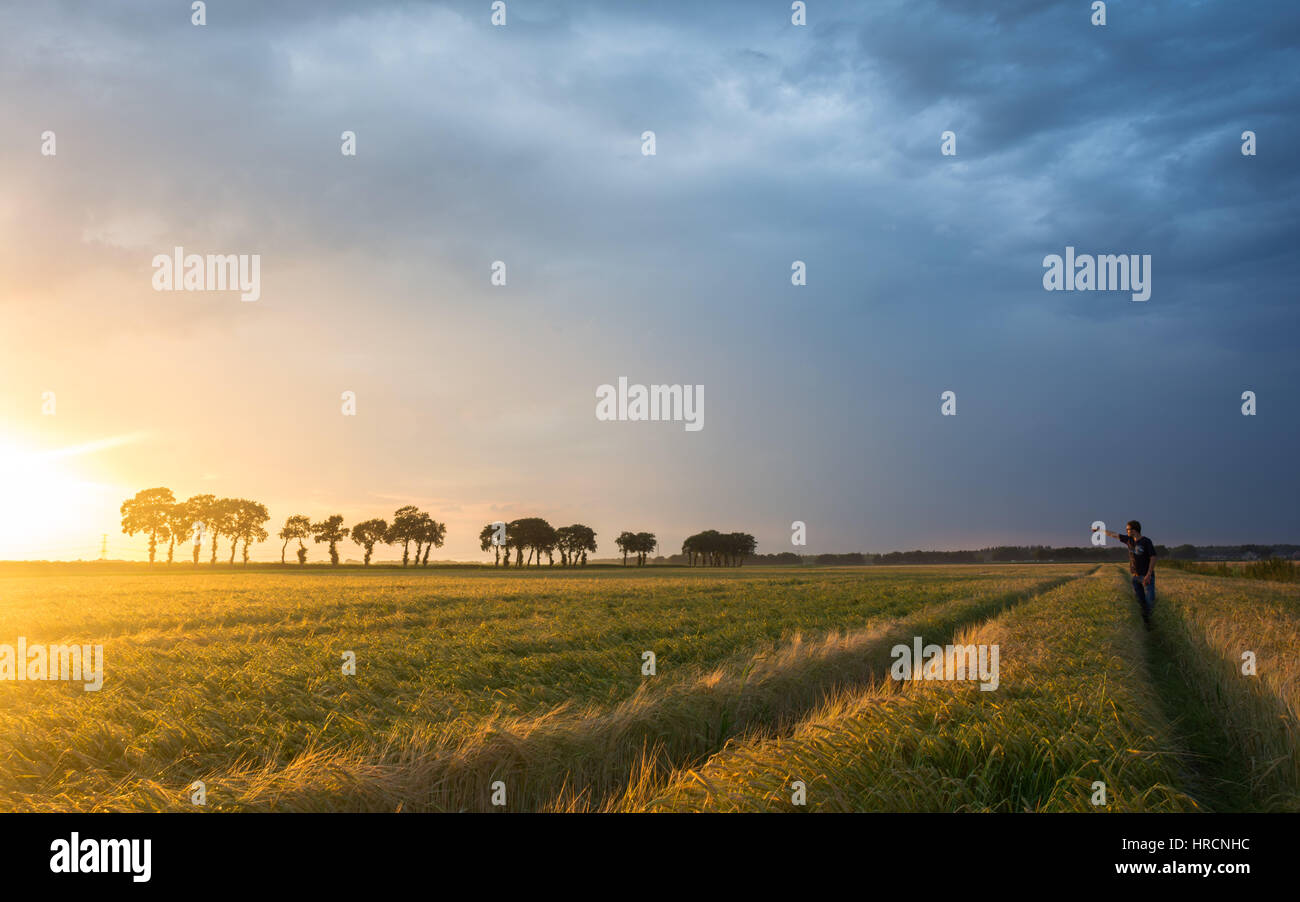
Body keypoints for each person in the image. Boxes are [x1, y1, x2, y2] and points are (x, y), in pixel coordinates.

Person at [1099, 520, 1157, 629]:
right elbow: (1113, 534)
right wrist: (1100, 530)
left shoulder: (1146, 541)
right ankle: (1145, 625)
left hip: (1146, 577)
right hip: (1135, 577)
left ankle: (1152, 625)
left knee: (1150, 602)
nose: (1126, 531)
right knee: (1140, 602)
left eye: (1128, 529)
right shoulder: (1129, 540)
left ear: (1134, 530)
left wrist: (1149, 574)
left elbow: (1153, 557)